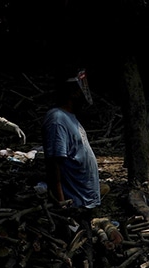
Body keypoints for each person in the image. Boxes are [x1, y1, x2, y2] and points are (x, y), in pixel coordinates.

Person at [44, 70, 101, 211]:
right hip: (74, 204)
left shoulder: (70, 118)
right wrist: (61, 203)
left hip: (85, 200)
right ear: (72, 92)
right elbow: (54, 164)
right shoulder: (57, 119)